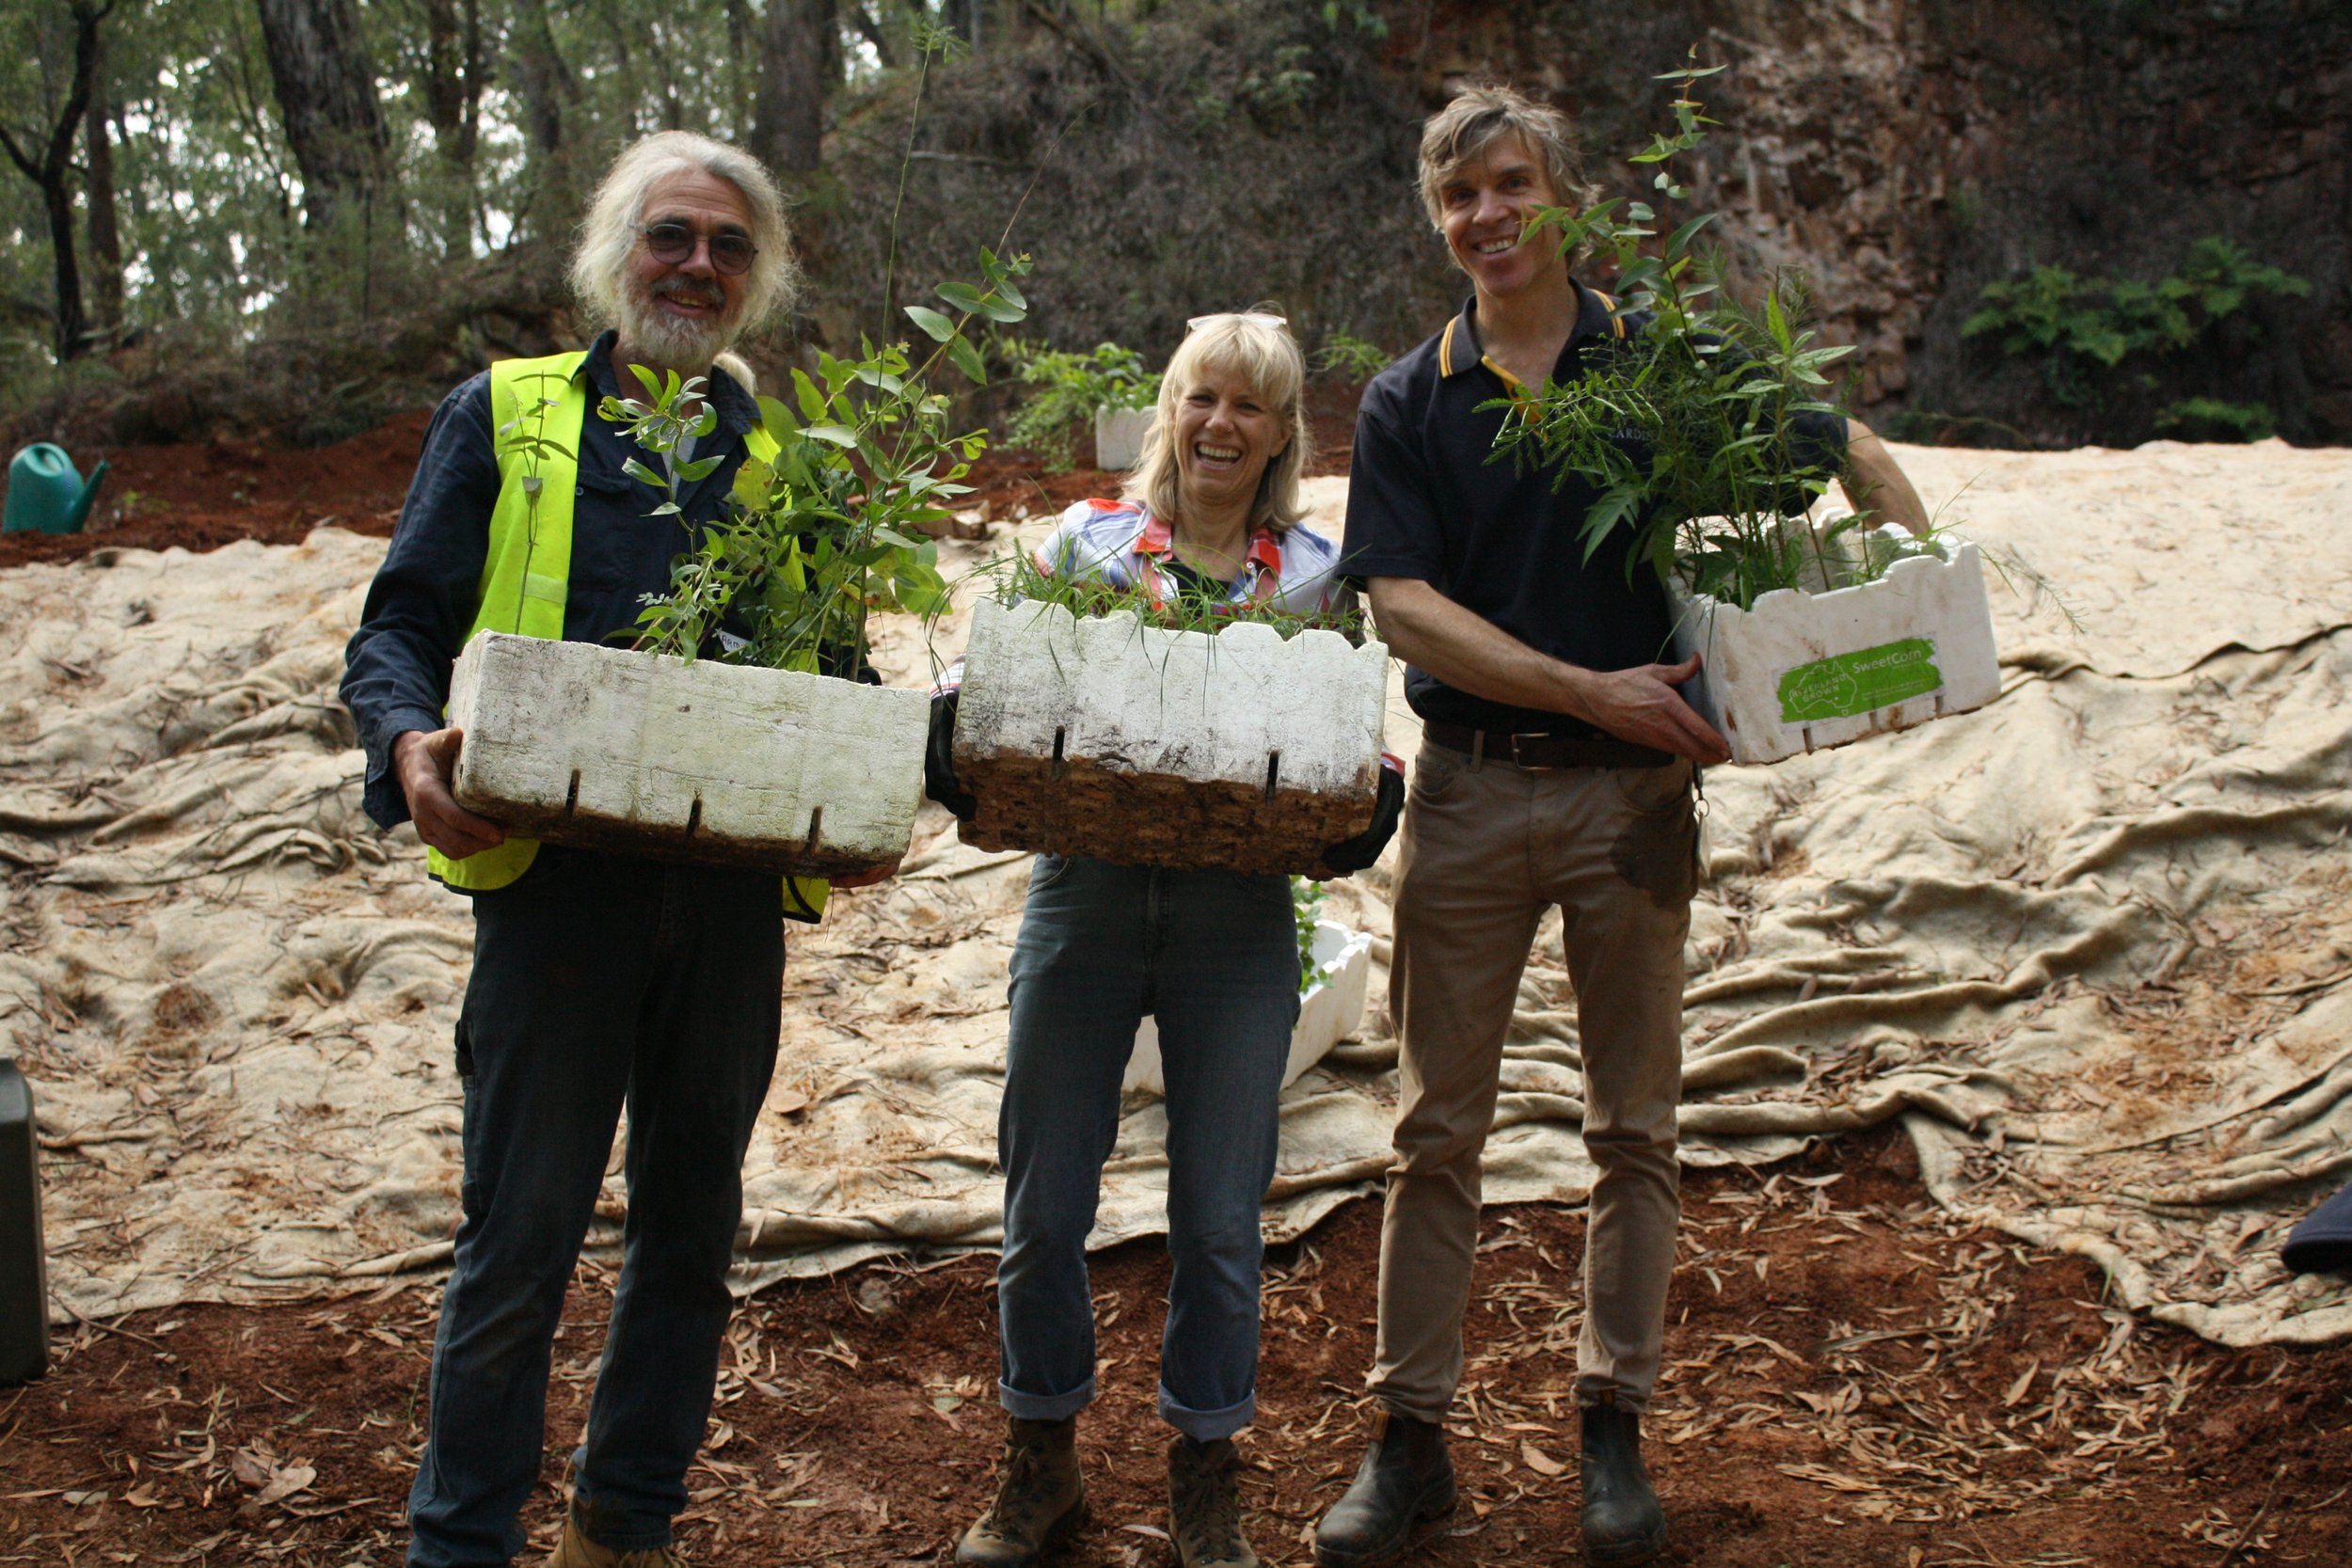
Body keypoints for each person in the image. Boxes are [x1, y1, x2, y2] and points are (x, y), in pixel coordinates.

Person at [1311, 86, 1930, 1568]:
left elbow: (1834, 435)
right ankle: (1411, 1445)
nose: (1489, 218)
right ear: (1436, 217)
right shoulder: (1411, 398)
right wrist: (1592, 690)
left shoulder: (1660, 370)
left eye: (1514, 184)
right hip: (1465, 794)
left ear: (1564, 196)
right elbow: (1402, 605)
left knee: (1632, 1127)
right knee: (1432, 1130)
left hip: (1634, 810)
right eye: (1460, 198)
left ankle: (1612, 1428)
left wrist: (1923, 582)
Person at [342, 131, 865, 1568]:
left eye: (729, 246)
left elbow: (839, 676)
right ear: (612, 252)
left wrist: (873, 791)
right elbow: (397, 629)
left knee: (692, 1235)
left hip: (724, 901)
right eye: (671, 235)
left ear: (758, 283)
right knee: (519, 1242)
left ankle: (623, 1527)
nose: (698, 264)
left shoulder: (787, 461)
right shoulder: (505, 414)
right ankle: (461, 1544)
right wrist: (405, 747)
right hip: (551, 891)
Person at [930, 313, 1398, 1568]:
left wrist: (1372, 795)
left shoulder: (1309, 577)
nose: (1220, 425)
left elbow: (1353, 732)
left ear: (1282, 434)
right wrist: (957, 734)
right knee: (1042, 1201)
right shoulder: (1084, 548)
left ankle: (1206, 1467)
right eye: (1202, 397)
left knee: (1218, 1219)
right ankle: (1041, 1462)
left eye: (1251, 406)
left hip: (1234, 920)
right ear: (1167, 410)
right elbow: (1013, 692)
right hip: (1082, 899)